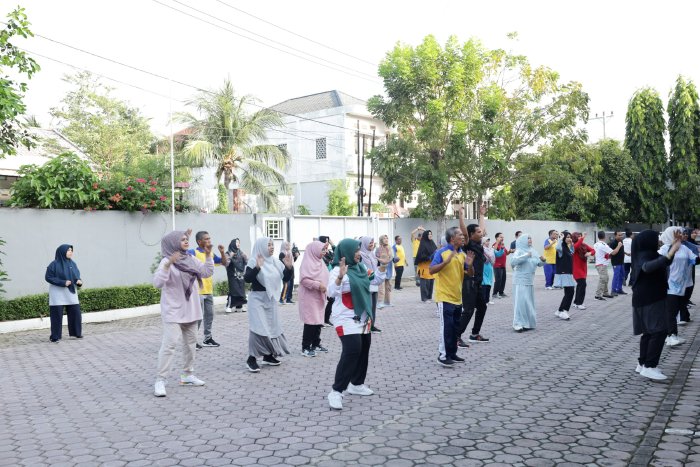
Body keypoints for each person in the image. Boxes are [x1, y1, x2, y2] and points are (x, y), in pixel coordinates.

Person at [326, 238, 387, 410]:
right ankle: (336, 391)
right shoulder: (338, 270)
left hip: (362, 316)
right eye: (355, 251)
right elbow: (331, 292)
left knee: (364, 347)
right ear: (346, 253)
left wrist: (382, 265)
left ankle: (357, 383)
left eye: (359, 250)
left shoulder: (361, 268)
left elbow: (375, 280)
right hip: (344, 317)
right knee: (352, 349)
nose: (358, 254)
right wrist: (340, 277)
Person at [153, 229, 213, 397]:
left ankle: (187, 375)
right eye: (182, 239)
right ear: (173, 243)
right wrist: (167, 265)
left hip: (191, 309)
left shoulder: (191, 258)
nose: (186, 241)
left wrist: (208, 256)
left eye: (187, 239)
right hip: (173, 310)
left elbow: (206, 272)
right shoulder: (167, 261)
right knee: (169, 345)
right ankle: (160, 380)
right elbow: (157, 283)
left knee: (190, 344)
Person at [631, 229, 681, 381]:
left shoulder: (647, 254)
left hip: (647, 298)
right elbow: (648, 267)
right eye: (656, 238)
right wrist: (671, 251)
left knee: (649, 332)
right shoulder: (643, 257)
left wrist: (674, 246)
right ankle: (650, 366)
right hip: (650, 299)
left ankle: (642, 364)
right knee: (659, 331)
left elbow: (664, 262)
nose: (659, 240)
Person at [244, 237, 294, 372]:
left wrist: (289, 268)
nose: (271, 247)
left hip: (270, 299)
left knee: (272, 327)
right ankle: (251, 359)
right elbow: (247, 278)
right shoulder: (254, 260)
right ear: (261, 247)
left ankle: (268, 355)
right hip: (257, 300)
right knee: (258, 328)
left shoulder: (276, 262)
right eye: (269, 245)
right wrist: (257, 267)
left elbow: (285, 279)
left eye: (272, 245)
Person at [429, 227, 474, 367]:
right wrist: (446, 262)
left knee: (455, 328)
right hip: (444, 297)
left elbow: (470, 274)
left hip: (457, 298)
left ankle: (452, 353)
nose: (463, 237)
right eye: (460, 235)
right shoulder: (441, 252)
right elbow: (431, 270)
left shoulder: (462, 254)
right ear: (452, 238)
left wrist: (470, 265)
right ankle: (443, 356)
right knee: (446, 328)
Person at [187, 231, 228, 348]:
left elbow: (224, 263)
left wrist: (222, 252)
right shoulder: (193, 252)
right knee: (198, 317)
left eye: (210, 238)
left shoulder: (211, 254)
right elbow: (181, 256)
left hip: (208, 290)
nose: (209, 240)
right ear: (199, 241)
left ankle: (207, 338)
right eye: (206, 239)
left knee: (209, 315)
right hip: (197, 291)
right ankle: (192, 341)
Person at [659, 227, 697, 347]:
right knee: (671, 311)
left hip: (683, 286)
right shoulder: (664, 248)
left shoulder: (685, 248)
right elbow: (660, 263)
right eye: (678, 233)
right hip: (669, 285)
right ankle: (671, 336)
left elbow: (694, 259)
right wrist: (673, 247)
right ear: (671, 235)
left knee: (677, 310)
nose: (681, 234)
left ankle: (670, 335)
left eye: (681, 232)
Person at [458, 204, 490, 344]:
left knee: (482, 307)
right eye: (477, 232)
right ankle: (456, 337)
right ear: (471, 235)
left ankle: (474, 334)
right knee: (468, 310)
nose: (481, 233)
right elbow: (464, 231)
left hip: (477, 282)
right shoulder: (469, 244)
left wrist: (482, 214)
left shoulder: (479, 244)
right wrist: (460, 216)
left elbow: (481, 228)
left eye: (480, 232)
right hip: (469, 282)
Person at [45, 244, 84, 343]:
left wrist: (79, 281)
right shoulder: (53, 264)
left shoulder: (73, 264)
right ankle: (55, 336)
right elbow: (48, 277)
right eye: (68, 250)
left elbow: (76, 276)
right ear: (62, 252)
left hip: (70, 292)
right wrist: (63, 282)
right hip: (57, 293)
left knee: (75, 312)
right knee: (56, 315)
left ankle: (76, 333)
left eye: (71, 250)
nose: (71, 252)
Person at [298, 240, 330, 357]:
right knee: (310, 322)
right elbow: (304, 280)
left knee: (318, 321)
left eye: (325, 249)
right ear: (315, 250)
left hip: (320, 296)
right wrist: (317, 285)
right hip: (309, 297)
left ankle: (316, 344)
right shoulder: (307, 263)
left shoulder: (320, 262)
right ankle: (305, 347)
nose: (324, 252)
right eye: (322, 249)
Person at [511, 234, 546, 332]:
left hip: (529, 280)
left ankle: (527, 323)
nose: (530, 240)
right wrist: (526, 256)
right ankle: (517, 323)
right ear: (522, 241)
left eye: (531, 238)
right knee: (520, 302)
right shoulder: (519, 251)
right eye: (528, 238)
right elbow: (513, 262)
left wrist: (543, 260)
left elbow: (538, 263)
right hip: (520, 280)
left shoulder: (533, 250)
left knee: (528, 302)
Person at [359, 236, 383, 333]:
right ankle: (365, 326)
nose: (371, 244)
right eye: (369, 242)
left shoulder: (372, 254)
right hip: (366, 284)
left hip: (374, 283)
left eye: (372, 242)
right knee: (367, 307)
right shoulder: (360, 255)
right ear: (364, 243)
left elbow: (376, 268)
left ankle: (371, 325)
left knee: (373, 306)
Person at [554, 231, 576, 320]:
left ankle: (560, 310)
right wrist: (560, 238)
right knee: (570, 292)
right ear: (563, 238)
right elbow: (557, 247)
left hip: (569, 273)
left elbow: (572, 252)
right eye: (567, 237)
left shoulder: (567, 247)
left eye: (570, 237)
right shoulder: (561, 247)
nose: (569, 238)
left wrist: (572, 244)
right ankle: (563, 311)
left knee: (569, 292)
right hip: (564, 273)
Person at [594, 231, 622, 300]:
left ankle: (605, 293)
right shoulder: (603, 245)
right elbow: (614, 252)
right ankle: (598, 295)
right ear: (604, 236)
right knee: (603, 279)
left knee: (606, 278)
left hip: (600, 264)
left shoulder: (596, 244)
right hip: (602, 265)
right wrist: (619, 246)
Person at [571, 232, 594, 310]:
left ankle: (576, 302)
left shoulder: (584, 245)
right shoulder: (572, 246)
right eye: (578, 236)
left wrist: (589, 253)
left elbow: (593, 250)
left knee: (580, 286)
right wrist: (582, 238)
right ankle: (579, 303)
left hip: (583, 268)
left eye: (580, 236)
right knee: (582, 285)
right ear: (574, 238)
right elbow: (576, 246)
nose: (580, 237)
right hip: (576, 269)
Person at [225, 238, 247, 313]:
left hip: (241, 275)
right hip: (232, 276)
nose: (238, 244)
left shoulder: (241, 253)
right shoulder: (228, 253)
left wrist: (245, 257)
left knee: (241, 290)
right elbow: (226, 263)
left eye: (239, 242)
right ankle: (229, 306)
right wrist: (230, 256)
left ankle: (240, 305)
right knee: (233, 290)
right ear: (233, 243)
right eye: (237, 242)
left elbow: (246, 262)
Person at [681, 228, 698, 324]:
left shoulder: (691, 246)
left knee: (687, 292)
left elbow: (696, 260)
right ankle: (682, 316)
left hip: (688, 272)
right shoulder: (668, 247)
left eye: (686, 233)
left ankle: (684, 315)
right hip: (674, 277)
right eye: (683, 233)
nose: (685, 235)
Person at [415, 230, 438, 302]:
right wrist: (428, 257)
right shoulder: (423, 244)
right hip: (424, 266)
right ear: (426, 236)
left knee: (431, 282)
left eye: (431, 234)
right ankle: (424, 298)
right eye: (429, 234)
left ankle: (429, 297)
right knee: (425, 283)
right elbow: (420, 255)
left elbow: (435, 251)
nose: (430, 235)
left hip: (431, 266)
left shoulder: (432, 243)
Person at [319, 235, 335, 327]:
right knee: (322, 301)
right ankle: (320, 320)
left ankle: (326, 319)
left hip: (329, 279)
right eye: (325, 241)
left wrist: (332, 244)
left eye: (328, 241)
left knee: (331, 300)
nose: (327, 243)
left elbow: (336, 255)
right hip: (322, 280)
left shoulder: (329, 252)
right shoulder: (319, 252)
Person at [375, 235, 394, 308]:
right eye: (384, 238)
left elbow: (393, 257)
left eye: (387, 238)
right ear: (381, 240)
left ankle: (387, 302)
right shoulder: (378, 249)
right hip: (381, 270)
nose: (386, 239)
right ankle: (379, 302)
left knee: (388, 286)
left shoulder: (390, 248)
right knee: (381, 287)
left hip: (389, 269)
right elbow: (376, 258)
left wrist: (394, 259)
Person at [492, 233, 509, 299]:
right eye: (501, 237)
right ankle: (494, 293)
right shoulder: (494, 245)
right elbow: (494, 250)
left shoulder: (502, 245)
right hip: (497, 265)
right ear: (497, 238)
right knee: (498, 279)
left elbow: (506, 253)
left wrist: (510, 251)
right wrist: (497, 242)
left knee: (503, 279)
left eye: (503, 237)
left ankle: (501, 292)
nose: (502, 238)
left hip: (503, 265)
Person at [609, 231, 626, 295]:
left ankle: (619, 289)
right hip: (616, 262)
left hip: (621, 262)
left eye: (621, 235)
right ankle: (613, 290)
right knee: (616, 276)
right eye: (619, 235)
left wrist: (626, 253)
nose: (621, 236)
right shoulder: (613, 243)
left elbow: (621, 251)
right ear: (615, 236)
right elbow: (613, 253)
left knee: (622, 276)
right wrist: (618, 246)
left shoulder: (621, 241)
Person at [482, 237, 497, 306]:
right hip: (484, 267)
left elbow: (494, 257)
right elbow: (489, 256)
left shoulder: (490, 249)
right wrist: (492, 251)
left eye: (488, 241)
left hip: (490, 267)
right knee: (484, 284)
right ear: (483, 242)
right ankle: (484, 301)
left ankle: (487, 300)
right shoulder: (482, 249)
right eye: (486, 241)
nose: (488, 242)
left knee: (489, 284)